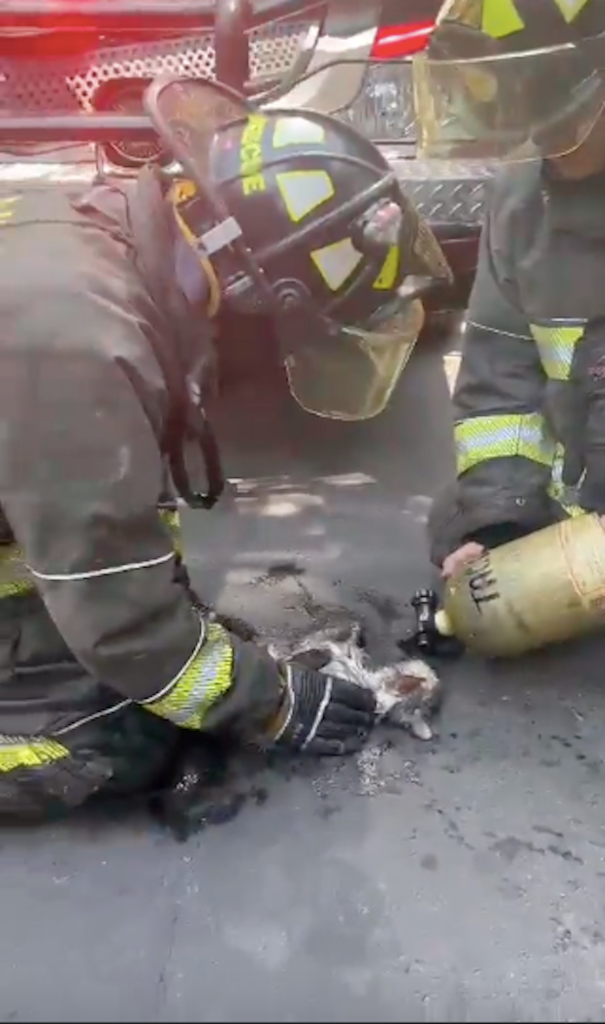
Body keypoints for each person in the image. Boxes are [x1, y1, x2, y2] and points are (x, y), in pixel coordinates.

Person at [0, 77, 451, 819]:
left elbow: (98, 528)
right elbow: (121, 618)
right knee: (116, 734)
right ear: (256, 295)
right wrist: (269, 703)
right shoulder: (77, 343)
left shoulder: (98, 241)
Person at [411, 0, 605, 579]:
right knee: (455, 520)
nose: (541, 150)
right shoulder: (520, 199)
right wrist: (500, 522)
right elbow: (499, 388)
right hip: (585, 514)